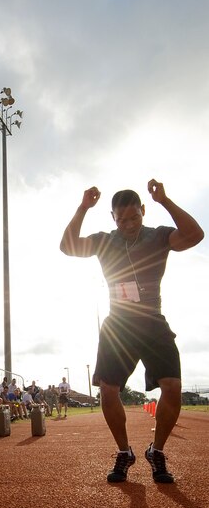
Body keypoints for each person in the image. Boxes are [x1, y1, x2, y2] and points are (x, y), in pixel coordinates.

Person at [60, 180, 204, 483]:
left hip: (152, 321)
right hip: (119, 325)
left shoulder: (159, 236)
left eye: (135, 217)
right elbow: (68, 246)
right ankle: (124, 452)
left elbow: (195, 235)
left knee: (172, 387)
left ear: (143, 212)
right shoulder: (103, 240)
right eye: (122, 219)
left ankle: (157, 451)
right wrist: (83, 207)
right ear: (113, 218)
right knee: (108, 391)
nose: (128, 224)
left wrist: (165, 199)